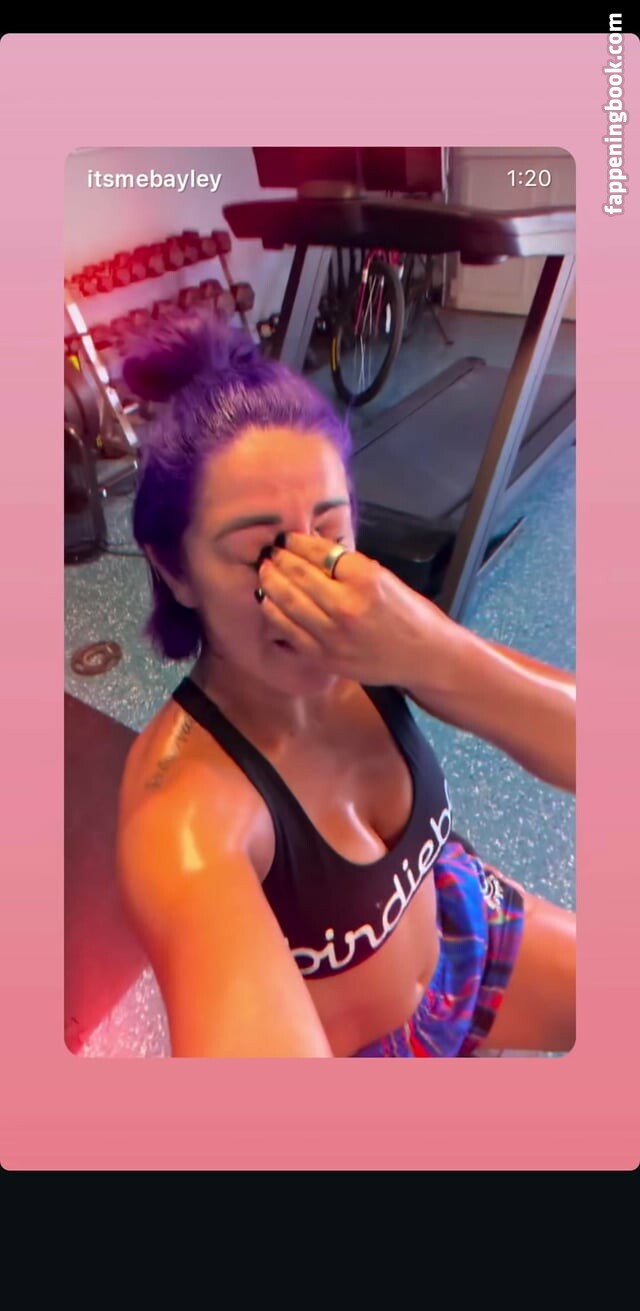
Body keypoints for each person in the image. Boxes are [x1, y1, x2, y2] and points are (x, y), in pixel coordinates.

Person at [116, 313, 576, 1059]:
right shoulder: (185, 816)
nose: (318, 586)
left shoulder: (377, 641)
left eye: (330, 535)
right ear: (175, 570)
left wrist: (435, 652)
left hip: (461, 921)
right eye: (261, 552)